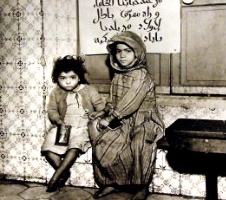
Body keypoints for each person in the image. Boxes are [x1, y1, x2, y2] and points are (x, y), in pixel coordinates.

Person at [89, 31, 164, 200]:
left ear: (137, 53)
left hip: (144, 121)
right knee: (105, 141)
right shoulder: (118, 75)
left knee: (140, 144)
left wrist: (110, 117)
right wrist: (103, 112)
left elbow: (131, 101)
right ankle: (111, 182)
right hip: (122, 121)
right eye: (118, 51)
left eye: (127, 51)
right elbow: (113, 101)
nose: (122, 55)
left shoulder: (142, 75)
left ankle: (142, 187)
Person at [41, 55, 105, 192]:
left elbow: (101, 107)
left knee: (74, 147)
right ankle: (63, 171)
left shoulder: (89, 90)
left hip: (82, 127)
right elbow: (52, 110)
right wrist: (58, 121)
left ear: (79, 77)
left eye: (72, 77)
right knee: (47, 148)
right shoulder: (56, 92)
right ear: (57, 79)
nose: (68, 82)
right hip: (64, 127)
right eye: (62, 78)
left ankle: (56, 177)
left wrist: (96, 114)